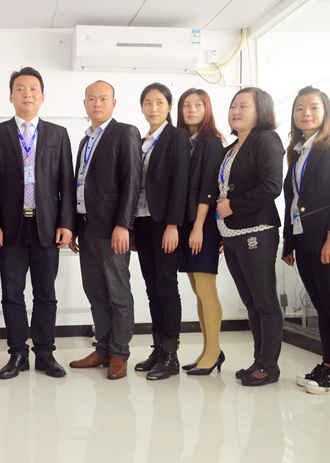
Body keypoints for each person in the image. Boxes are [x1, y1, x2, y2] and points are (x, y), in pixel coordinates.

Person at [0, 67, 76, 379]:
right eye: (20, 89)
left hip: (47, 227)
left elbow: (67, 182)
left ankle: (45, 353)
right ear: (11, 96)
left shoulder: (58, 134)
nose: (27, 94)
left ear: (42, 96)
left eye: (33, 89)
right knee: (12, 294)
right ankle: (18, 353)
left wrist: (66, 223)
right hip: (10, 228)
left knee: (46, 294)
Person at [281, 86, 330, 394]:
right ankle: (327, 364)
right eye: (300, 108)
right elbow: (292, 201)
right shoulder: (297, 152)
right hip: (303, 239)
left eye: (313, 107)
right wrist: (288, 242)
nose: (306, 113)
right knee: (321, 306)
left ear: (325, 112)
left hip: (328, 238)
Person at [68, 81, 142, 380]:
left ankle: (119, 354)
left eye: (103, 98)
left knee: (118, 292)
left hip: (113, 229)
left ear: (113, 103)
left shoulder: (125, 132)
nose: (96, 103)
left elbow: (132, 181)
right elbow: (80, 186)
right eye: (91, 98)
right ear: (84, 103)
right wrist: (73, 227)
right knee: (95, 291)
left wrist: (124, 224)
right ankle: (103, 349)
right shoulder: (85, 140)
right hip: (86, 227)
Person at [217, 87, 284, 386]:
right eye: (233, 106)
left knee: (265, 301)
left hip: (257, 229)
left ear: (261, 110)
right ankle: (259, 360)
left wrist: (233, 206)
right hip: (230, 233)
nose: (236, 111)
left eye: (243, 106)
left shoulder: (266, 139)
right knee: (251, 302)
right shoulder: (230, 148)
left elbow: (271, 186)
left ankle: (269, 366)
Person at [132, 83, 190, 381]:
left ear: (169, 106)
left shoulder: (176, 137)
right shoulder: (141, 140)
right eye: (147, 102)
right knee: (152, 288)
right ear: (142, 107)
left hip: (163, 223)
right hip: (142, 222)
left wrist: (172, 225)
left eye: (159, 102)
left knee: (167, 287)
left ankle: (170, 355)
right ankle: (158, 349)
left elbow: (180, 182)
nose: (153, 108)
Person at [176, 88, 226, 375]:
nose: (192, 109)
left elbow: (208, 186)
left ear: (207, 109)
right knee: (197, 289)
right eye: (186, 105)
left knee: (206, 289)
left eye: (198, 105)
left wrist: (198, 227)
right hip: (189, 222)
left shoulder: (211, 142)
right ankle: (208, 350)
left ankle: (214, 351)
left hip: (203, 224)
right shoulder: (184, 142)